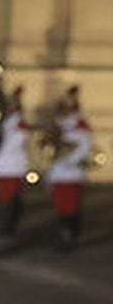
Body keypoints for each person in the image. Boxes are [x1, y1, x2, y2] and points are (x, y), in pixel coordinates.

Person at [47, 86, 95, 251]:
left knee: (72, 206)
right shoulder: (57, 125)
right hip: (58, 172)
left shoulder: (80, 125)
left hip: (73, 172)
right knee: (61, 205)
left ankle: (70, 235)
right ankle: (63, 233)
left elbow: (85, 146)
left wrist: (70, 159)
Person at [0, 88, 32, 235]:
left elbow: (13, 144)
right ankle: (3, 223)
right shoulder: (4, 123)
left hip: (10, 166)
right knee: (3, 197)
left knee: (8, 198)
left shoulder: (19, 125)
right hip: (2, 166)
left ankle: (7, 225)